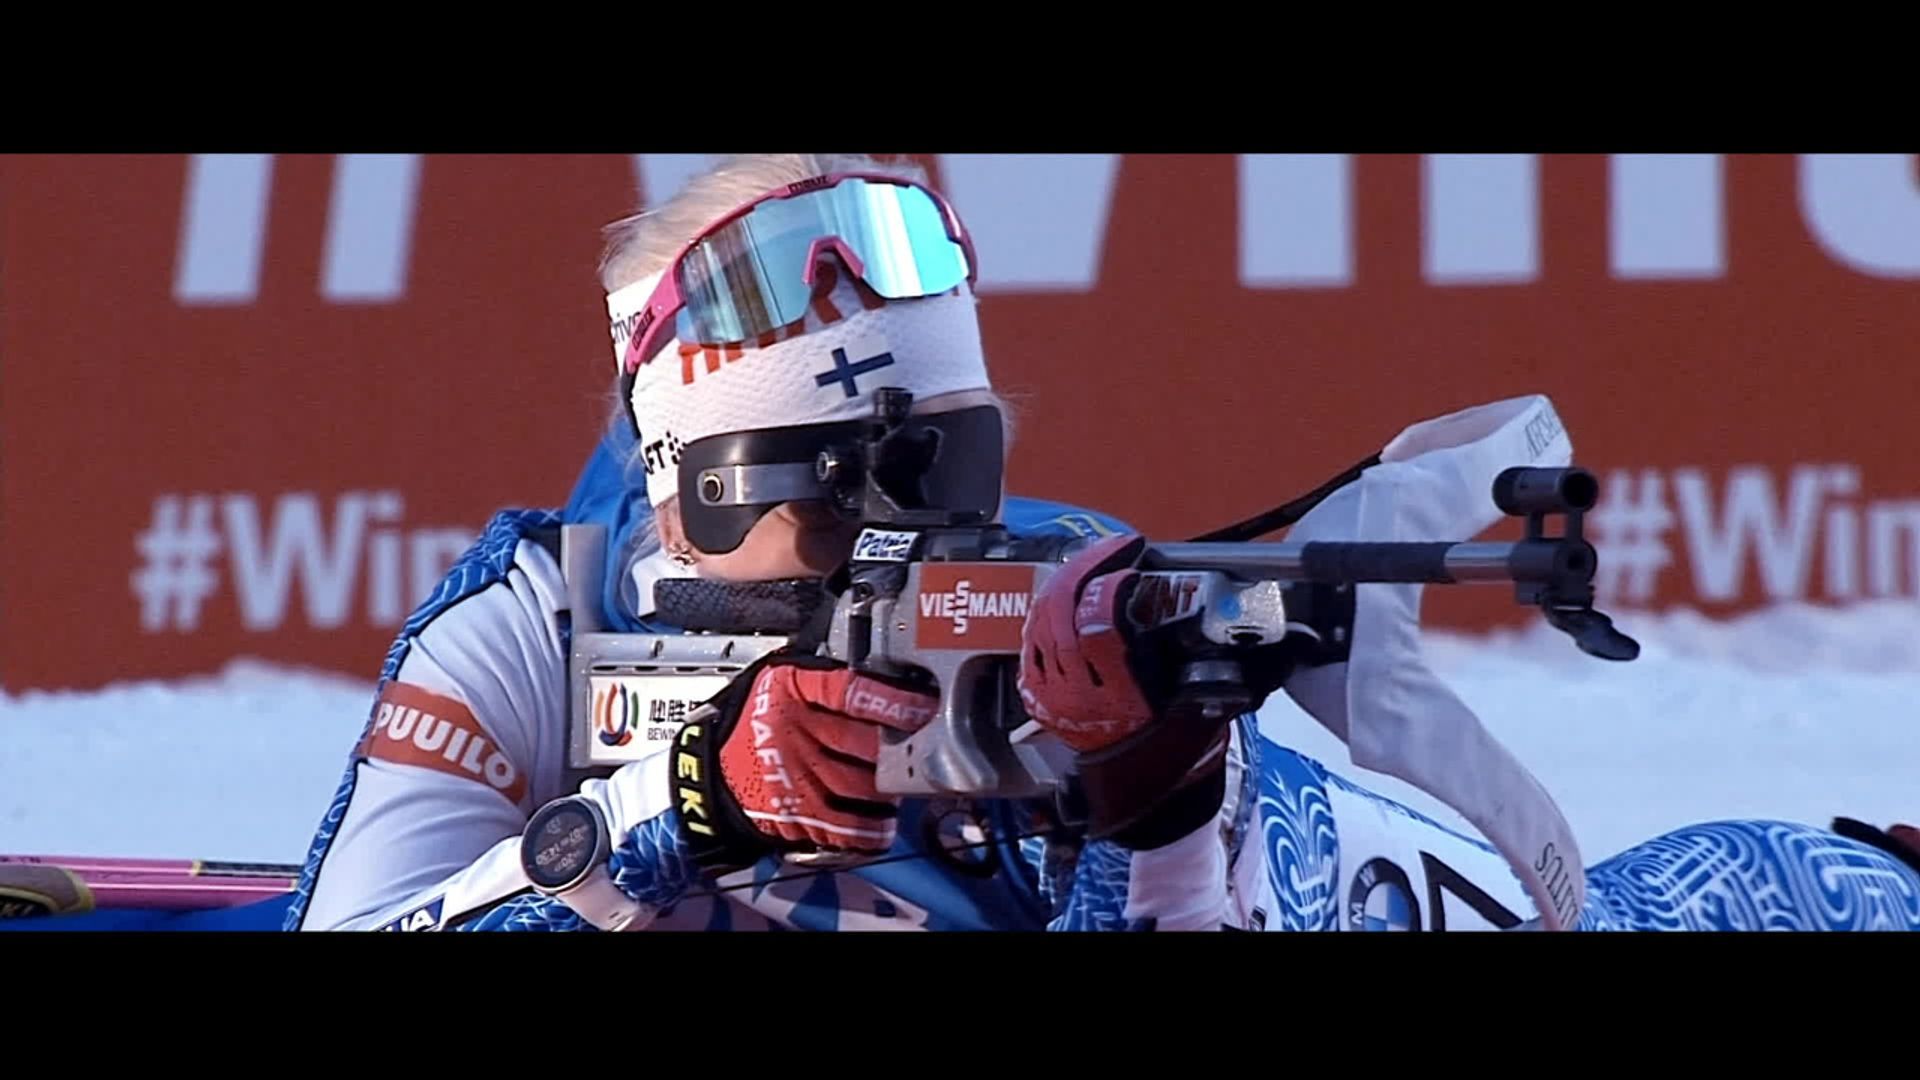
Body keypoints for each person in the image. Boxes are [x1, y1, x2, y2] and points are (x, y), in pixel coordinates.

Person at [283, 154, 1920, 933]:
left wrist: (1159, 803)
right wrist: (683, 805)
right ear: (691, 492)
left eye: (942, 470)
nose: (902, 542)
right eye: (836, 496)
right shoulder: (531, 626)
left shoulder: (1066, 596)